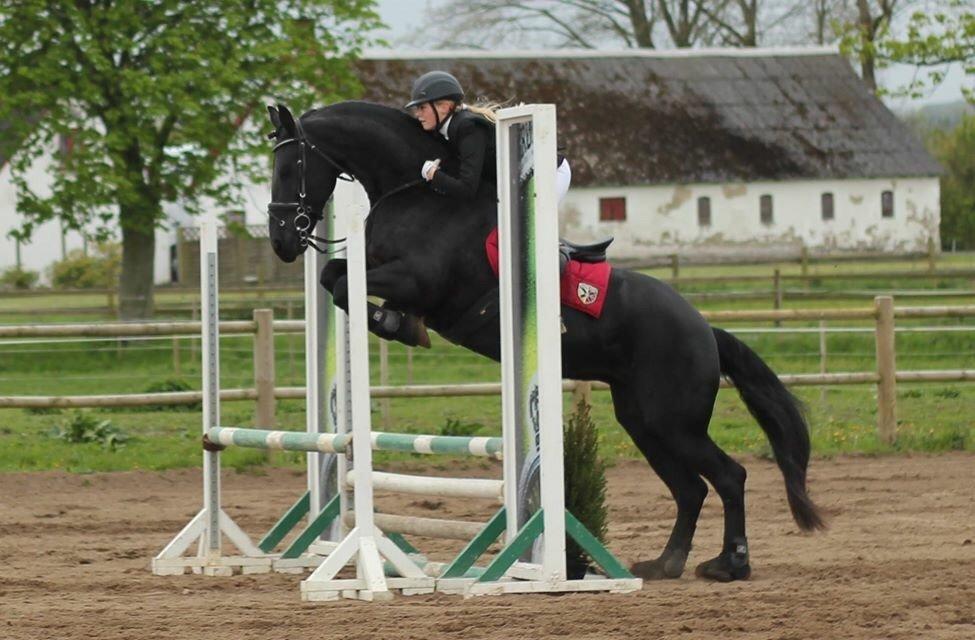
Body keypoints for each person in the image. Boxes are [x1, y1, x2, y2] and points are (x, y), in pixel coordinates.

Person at [405, 70, 571, 203]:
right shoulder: (449, 127)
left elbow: (466, 189)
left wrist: (434, 175)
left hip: (548, 173)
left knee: (528, 228)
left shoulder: (468, 127)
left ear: (444, 107)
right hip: (521, 179)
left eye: (422, 107)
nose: (417, 114)